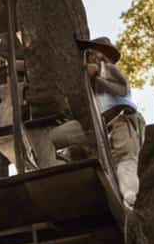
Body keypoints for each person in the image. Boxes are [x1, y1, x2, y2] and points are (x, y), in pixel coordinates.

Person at [49, 36, 144, 208]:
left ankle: (129, 197)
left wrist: (99, 71)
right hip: (98, 126)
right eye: (90, 53)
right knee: (55, 137)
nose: (91, 56)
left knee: (125, 159)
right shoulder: (87, 85)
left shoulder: (109, 69)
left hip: (121, 119)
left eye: (95, 52)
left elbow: (122, 89)